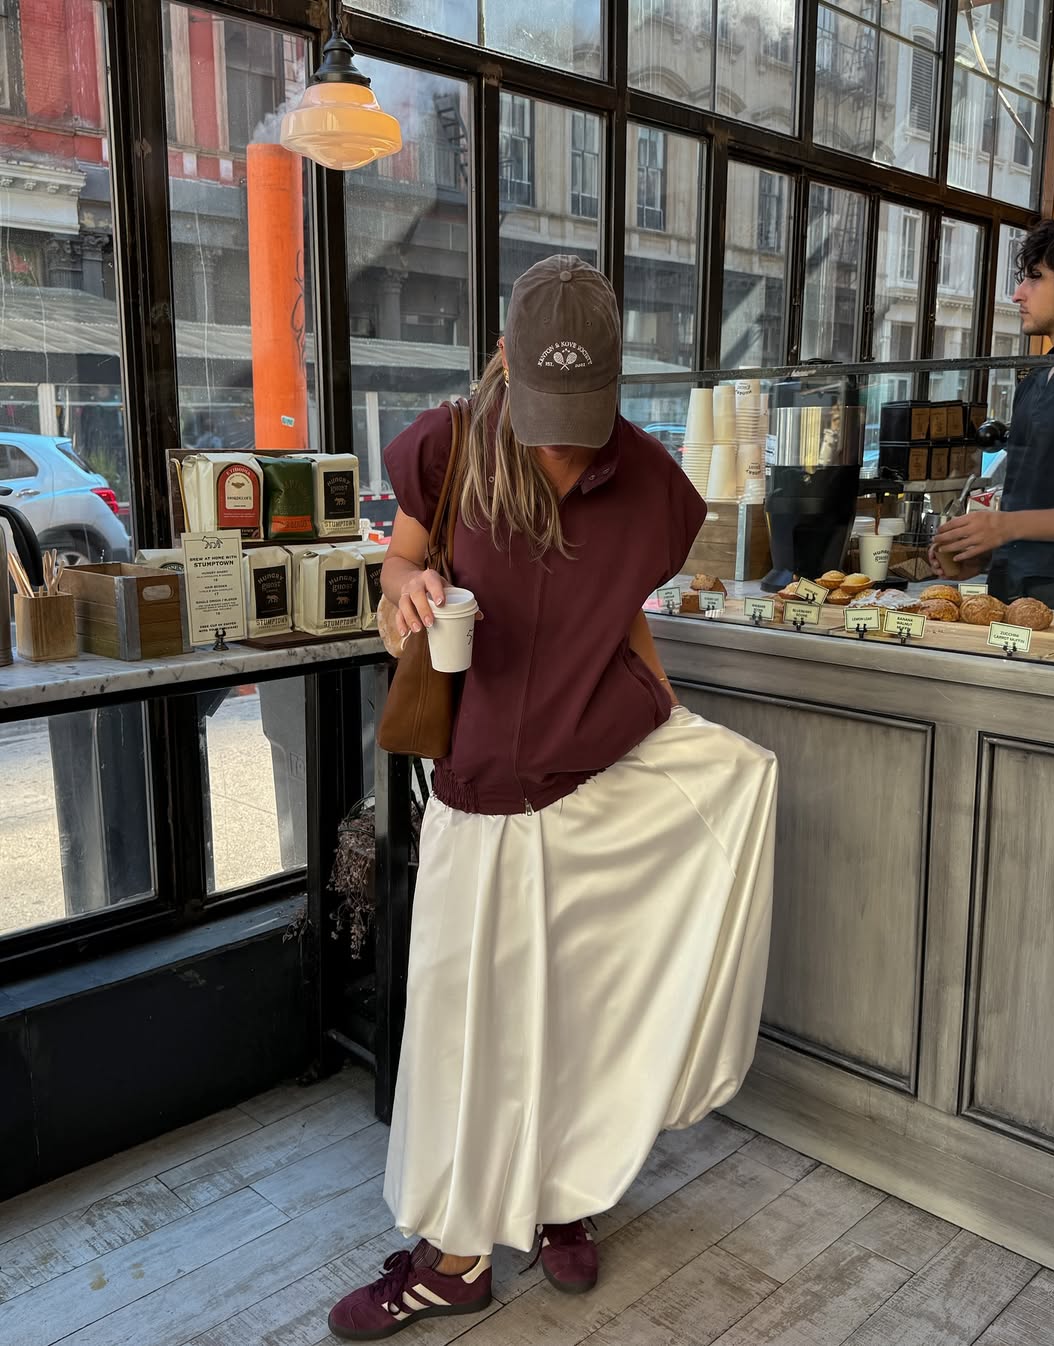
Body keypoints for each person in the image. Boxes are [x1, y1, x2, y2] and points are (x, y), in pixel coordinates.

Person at [327, 255, 777, 1342]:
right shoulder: (449, 447)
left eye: (584, 418)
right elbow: (398, 568)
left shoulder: (656, 485)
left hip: (594, 785)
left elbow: (625, 619)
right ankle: (456, 1256)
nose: (565, 450)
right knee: (461, 1022)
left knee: (578, 1008)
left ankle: (561, 1191)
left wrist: (678, 736)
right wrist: (409, 593)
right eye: (546, 415)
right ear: (505, 363)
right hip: (476, 788)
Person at [933, 219, 1054, 606]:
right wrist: (981, 553)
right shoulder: (1034, 380)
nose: (1017, 294)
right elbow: (1031, 500)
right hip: (1008, 591)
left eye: (1035, 277)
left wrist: (1005, 526)